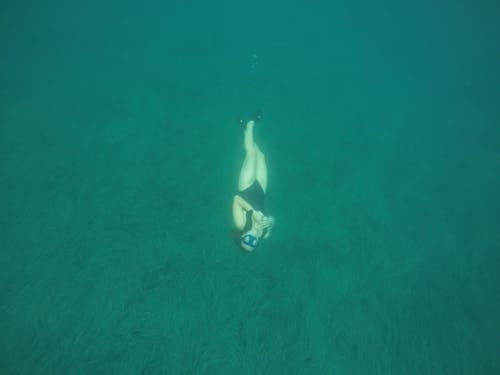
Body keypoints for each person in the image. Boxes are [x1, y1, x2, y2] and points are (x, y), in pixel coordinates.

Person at [232, 112, 275, 251]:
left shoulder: (241, 225)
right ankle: (245, 132)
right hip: (261, 191)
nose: (253, 239)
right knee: (261, 156)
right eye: (254, 244)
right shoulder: (264, 235)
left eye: (248, 240)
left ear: (242, 237)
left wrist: (253, 213)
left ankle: (250, 124)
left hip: (246, 188)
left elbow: (236, 199)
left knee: (251, 153)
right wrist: (272, 222)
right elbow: (272, 223)